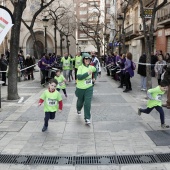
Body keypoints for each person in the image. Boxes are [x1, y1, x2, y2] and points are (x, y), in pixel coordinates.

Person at [75, 53, 97, 125]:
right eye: (86, 59)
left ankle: (87, 118)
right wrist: (87, 74)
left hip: (89, 88)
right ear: (83, 60)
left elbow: (95, 70)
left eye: (88, 59)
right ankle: (78, 109)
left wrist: (94, 78)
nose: (87, 60)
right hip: (80, 88)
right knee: (80, 102)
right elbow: (79, 77)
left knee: (87, 103)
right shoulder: (80, 68)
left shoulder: (91, 67)